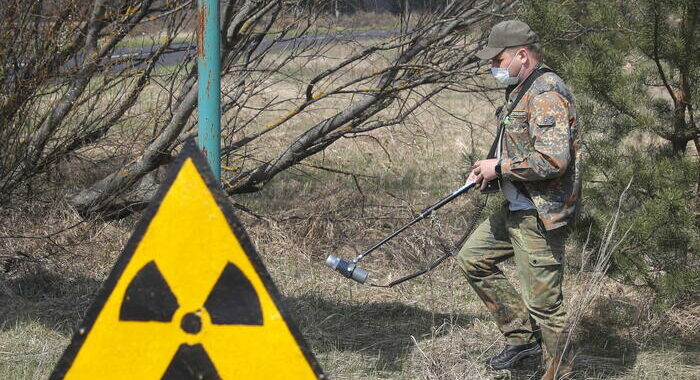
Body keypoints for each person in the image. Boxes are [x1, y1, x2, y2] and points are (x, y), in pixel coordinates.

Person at [457, 20, 582, 379]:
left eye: (497, 59)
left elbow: (553, 159)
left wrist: (501, 167)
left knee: (545, 305)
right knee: (473, 259)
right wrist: (487, 171)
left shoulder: (546, 93)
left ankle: (559, 373)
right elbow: (514, 146)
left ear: (521, 55)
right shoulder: (521, 88)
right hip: (516, 206)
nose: (492, 67)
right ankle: (522, 338)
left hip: (540, 216)